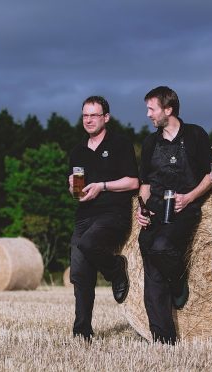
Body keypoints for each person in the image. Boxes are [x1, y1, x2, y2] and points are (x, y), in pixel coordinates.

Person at [136, 86, 212, 344]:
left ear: (168, 110)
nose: (148, 114)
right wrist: (141, 208)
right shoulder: (150, 143)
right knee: (147, 251)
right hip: (156, 208)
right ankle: (163, 340)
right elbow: (145, 184)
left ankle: (178, 279)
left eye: (151, 109)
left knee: (161, 246)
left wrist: (189, 197)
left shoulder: (195, 135)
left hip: (184, 209)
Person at [68, 95, 139, 341]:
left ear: (105, 118)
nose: (88, 120)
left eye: (93, 115)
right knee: (79, 273)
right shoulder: (77, 151)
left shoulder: (120, 144)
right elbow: (76, 188)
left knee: (89, 244)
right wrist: (73, 188)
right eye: (85, 115)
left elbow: (133, 182)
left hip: (113, 213)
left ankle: (116, 269)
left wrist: (102, 186)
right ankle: (82, 332)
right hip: (84, 216)